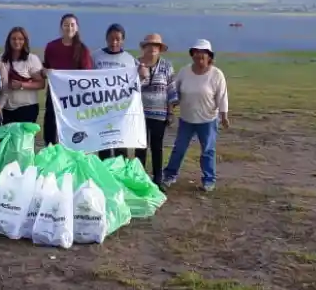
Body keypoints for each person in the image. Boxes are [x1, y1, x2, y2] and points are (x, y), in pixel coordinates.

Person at [162, 39, 229, 193]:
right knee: (179, 148)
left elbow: (222, 96)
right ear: (192, 55)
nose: (199, 56)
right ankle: (169, 176)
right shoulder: (185, 71)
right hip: (187, 119)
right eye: (196, 53)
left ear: (209, 56)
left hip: (208, 120)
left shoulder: (217, 74)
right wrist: (170, 108)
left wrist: (224, 116)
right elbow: (174, 91)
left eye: (203, 53)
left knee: (208, 151)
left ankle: (208, 180)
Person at [41, 13, 93, 145]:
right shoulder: (51, 47)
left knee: (71, 128)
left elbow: (86, 76)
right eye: (66, 25)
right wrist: (45, 72)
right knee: (51, 126)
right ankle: (50, 152)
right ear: (61, 28)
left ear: (77, 28)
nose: (69, 28)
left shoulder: (83, 50)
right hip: (54, 95)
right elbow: (46, 67)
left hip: (74, 98)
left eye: (72, 25)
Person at [134, 33, 177, 186]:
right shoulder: (135, 64)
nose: (152, 48)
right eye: (149, 45)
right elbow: (127, 88)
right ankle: (139, 178)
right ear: (144, 48)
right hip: (139, 114)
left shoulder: (166, 66)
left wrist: (170, 112)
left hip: (159, 114)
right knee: (140, 147)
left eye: (156, 46)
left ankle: (158, 179)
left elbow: (171, 90)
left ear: (160, 49)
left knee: (157, 147)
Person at [92, 23, 138, 160]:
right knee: (103, 143)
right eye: (111, 39)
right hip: (100, 108)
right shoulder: (96, 56)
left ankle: (120, 173)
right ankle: (105, 174)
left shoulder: (129, 59)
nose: (114, 42)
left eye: (118, 39)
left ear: (122, 40)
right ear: (106, 39)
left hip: (120, 110)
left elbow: (135, 83)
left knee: (120, 143)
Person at [0, 26, 45, 125]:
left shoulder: (31, 59)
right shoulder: (2, 59)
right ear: (9, 41)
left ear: (25, 41)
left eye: (20, 39)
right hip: (7, 108)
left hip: (27, 108)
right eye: (14, 39)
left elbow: (41, 84)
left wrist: (22, 85)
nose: (16, 42)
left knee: (24, 139)